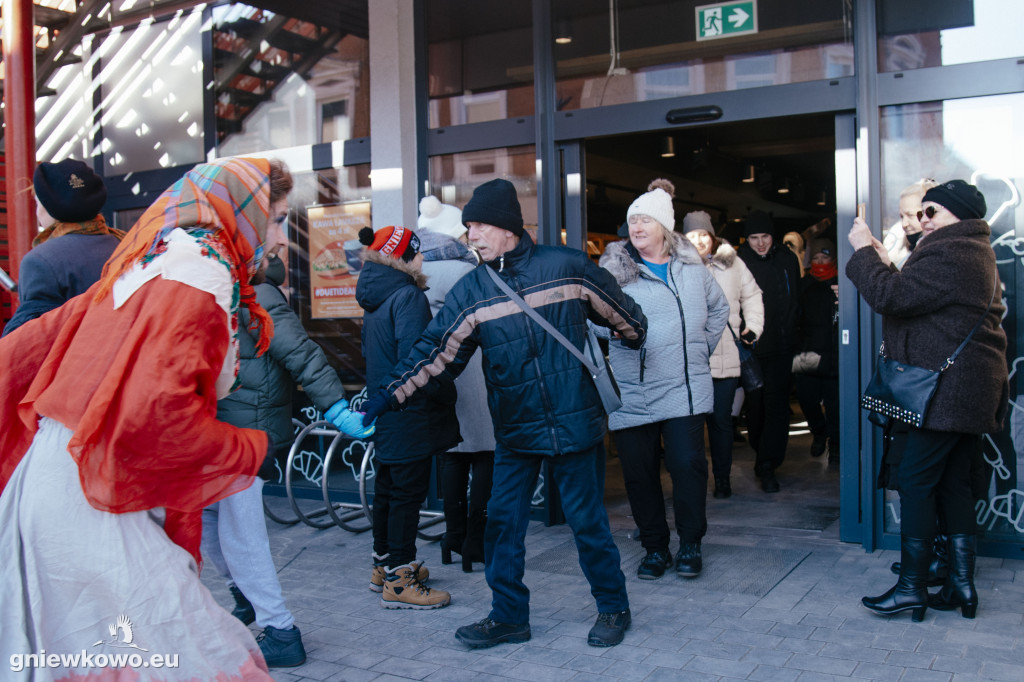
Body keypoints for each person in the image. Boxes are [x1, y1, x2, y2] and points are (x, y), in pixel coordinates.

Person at [0, 157, 297, 680]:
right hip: (92, 486)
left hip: (75, 471)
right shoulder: (196, 271)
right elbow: (159, 414)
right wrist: (251, 450)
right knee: (179, 653)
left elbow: (35, 342)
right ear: (242, 211)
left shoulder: (160, 256)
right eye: (275, 219)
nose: (280, 238)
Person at [361, 178, 647, 649]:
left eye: (477, 225)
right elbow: (434, 353)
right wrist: (387, 397)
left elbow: (627, 317)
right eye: (468, 226)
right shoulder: (474, 289)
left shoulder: (568, 266)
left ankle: (613, 607)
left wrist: (631, 338)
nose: (469, 234)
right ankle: (509, 616)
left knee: (588, 523)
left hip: (575, 422)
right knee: (502, 525)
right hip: (514, 430)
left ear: (506, 227)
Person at [203, 251, 372, 667]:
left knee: (241, 533)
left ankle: (280, 629)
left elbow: (302, 353)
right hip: (217, 432)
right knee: (208, 523)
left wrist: (336, 408)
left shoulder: (257, 294)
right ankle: (246, 597)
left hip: (249, 433)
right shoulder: (220, 292)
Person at [848, 179, 1007, 621]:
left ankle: (911, 588)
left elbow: (891, 297)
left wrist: (863, 250)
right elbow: (920, 298)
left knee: (917, 484)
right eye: (920, 213)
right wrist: (883, 260)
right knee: (954, 484)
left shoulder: (950, 250)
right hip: (966, 391)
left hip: (943, 393)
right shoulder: (974, 250)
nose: (922, 220)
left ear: (955, 215)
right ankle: (960, 584)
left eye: (931, 212)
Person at [598, 184, 729, 580]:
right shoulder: (613, 271)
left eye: (645, 219)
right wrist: (612, 335)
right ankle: (655, 547)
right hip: (634, 389)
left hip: (684, 387)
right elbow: (591, 319)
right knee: (639, 472)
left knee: (688, 465)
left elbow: (719, 309)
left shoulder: (692, 269)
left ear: (665, 228)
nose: (636, 226)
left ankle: (690, 544)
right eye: (632, 219)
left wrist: (696, 351)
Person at [356, 223, 459, 609]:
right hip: (410, 408)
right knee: (406, 496)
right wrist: (446, 390)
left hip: (386, 406)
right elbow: (419, 361)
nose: (422, 259)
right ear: (403, 256)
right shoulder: (408, 296)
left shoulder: (375, 296)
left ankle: (383, 565)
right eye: (418, 253)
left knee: (388, 487)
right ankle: (400, 580)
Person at [417, 195, 496, 572]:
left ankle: (452, 537)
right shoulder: (466, 272)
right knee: (484, 454)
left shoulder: (416, 270)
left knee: (452, 455)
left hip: (440, 372)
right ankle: (474, 542)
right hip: (473, 369)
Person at [684, 210, 764, 499]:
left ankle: (722, 479)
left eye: (703, 234)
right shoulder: (676, 265)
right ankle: (694, 481)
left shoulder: (733, 264)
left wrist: (753, 327)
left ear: (712, 236)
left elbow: (753, 295)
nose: (698, 240)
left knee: (720, 424)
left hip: (726, 356)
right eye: (691, 235)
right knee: (689, 427)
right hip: (689, 360)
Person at [3, 159, 124, 337]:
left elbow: (30, 340)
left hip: (79, 360)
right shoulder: (127, 242)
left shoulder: (41, 261)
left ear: (51, 207)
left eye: (38, 203)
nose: (37, 213)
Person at [737, 210, 802, 493]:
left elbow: (795, 299)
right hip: (750, 347)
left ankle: (768, 464)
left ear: (772, 237)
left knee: (777, 406)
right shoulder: (736, 262)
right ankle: (761, 450)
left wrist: (794, 335)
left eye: (765, 237)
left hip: (781, 346)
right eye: (754, 238)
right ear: (746, 238)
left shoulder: (787, 259)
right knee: (756, 406)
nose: (760, 243)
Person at [792, 238, 840, 463]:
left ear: (833, 259)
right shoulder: (804, 284)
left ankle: (836, 443)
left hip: (835, 353)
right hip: (807, 352)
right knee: (807, 400)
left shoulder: (843, 283)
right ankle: (818, 433)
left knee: (835, 404)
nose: (821, 262)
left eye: (825, 258)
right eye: (816, 259)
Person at [883, 179, 938, 269]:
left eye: (910, 215)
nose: (904, 224)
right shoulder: (896, 242)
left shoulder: (934, 254)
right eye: (901, 216)